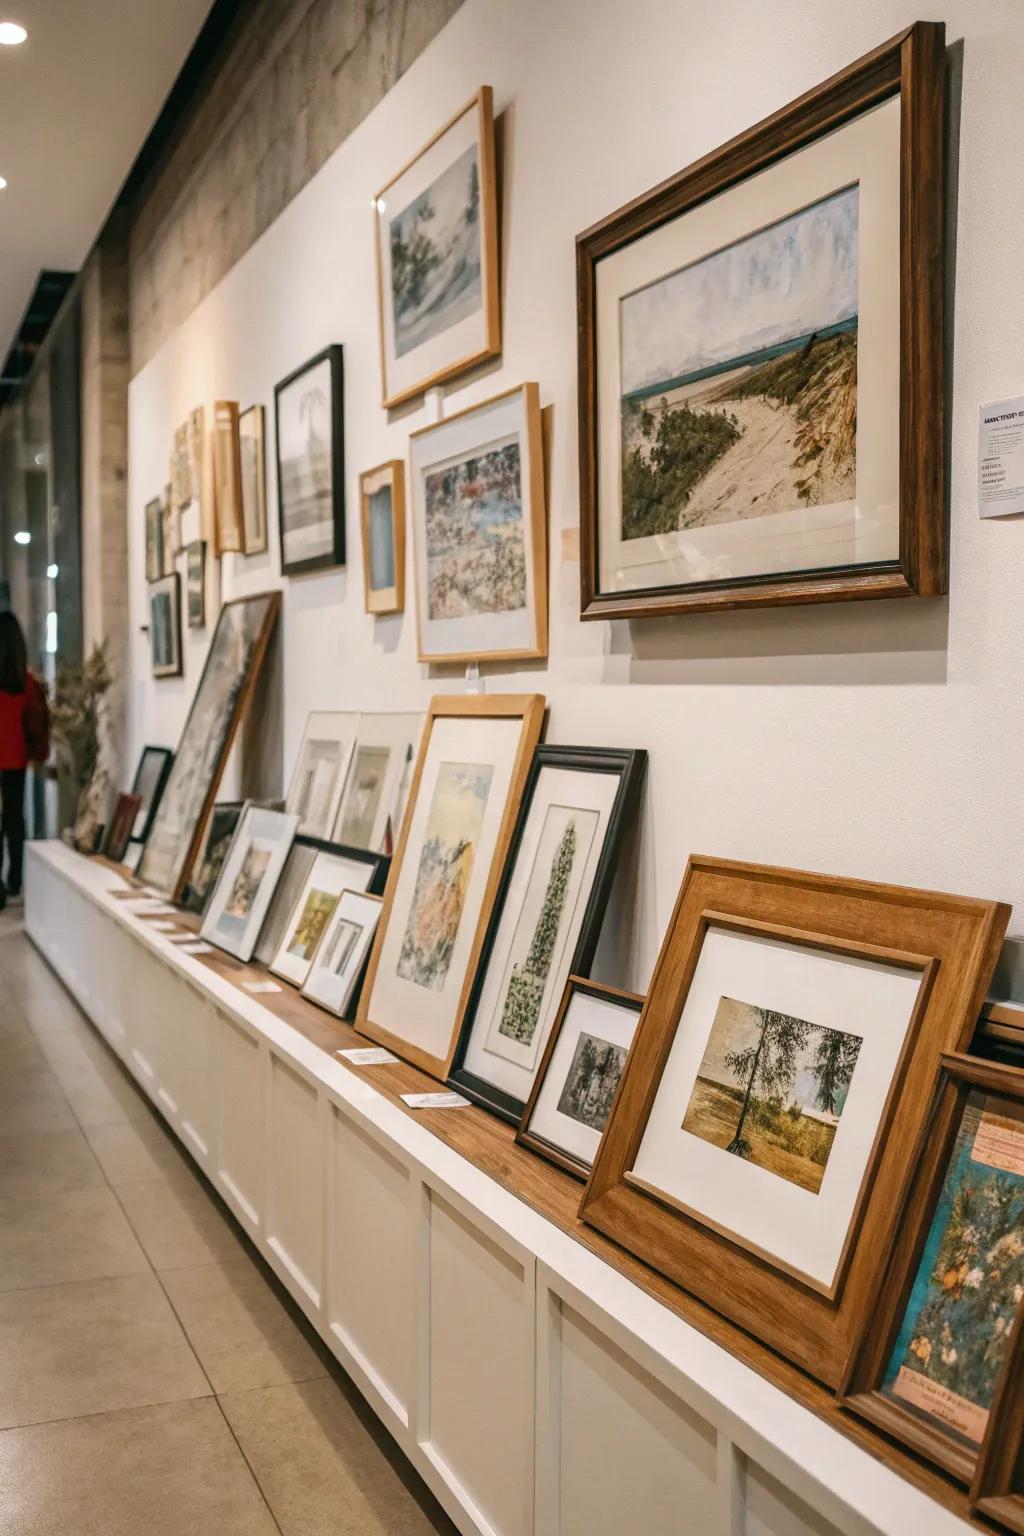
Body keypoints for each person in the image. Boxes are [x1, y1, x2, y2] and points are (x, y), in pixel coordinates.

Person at [0, 612, 49, 908]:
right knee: (14, 819)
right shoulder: (26, 684)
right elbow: (35, 724)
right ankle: (15, 880)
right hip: (14, 760)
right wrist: (37, 755)